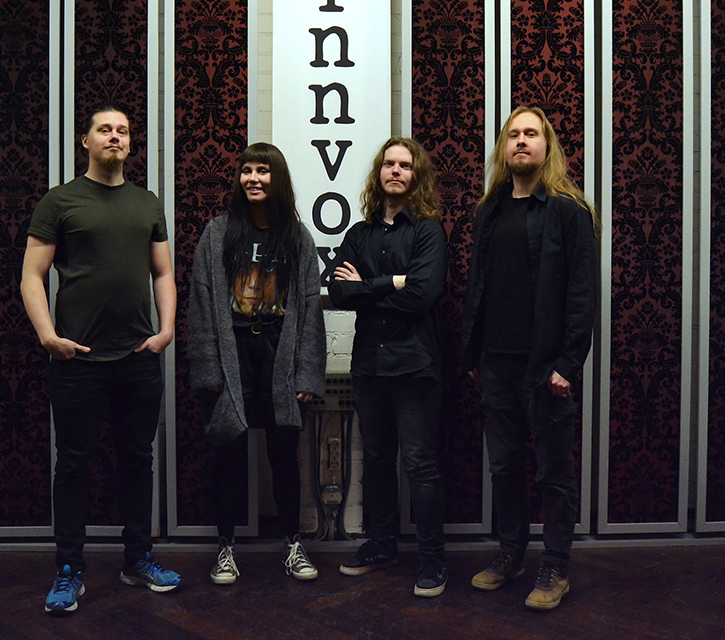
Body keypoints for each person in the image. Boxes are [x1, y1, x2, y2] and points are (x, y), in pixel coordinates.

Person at [21, 107, 182, 615]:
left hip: (137, 358)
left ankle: (138, 560)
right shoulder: (60, 201)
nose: (115, 136)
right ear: (85, 141)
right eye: (105, 130)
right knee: (74, 465)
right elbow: (32, 276)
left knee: (138, 461)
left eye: (123, 131)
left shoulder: (146, 202)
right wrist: (48, 336)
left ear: (130, 143)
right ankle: (69, 570)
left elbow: (162, 273)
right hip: (78, 361)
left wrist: (166, 331)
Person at [460, 107, 598, 611]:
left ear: (547, 146)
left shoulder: (569, 211)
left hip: (545, 367)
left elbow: (582, 294)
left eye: (531, 134)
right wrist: (474, 352)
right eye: (513, 134)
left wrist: (568, 363)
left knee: (554, 474)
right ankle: (511, 554)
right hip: (496, 364)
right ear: (504, 148)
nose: (521, 141)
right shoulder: (490, 211)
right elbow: (478, 286)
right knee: (505, 467)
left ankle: (556, 567)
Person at [187, 142, 326, 585]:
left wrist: (307, 373)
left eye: (263, 171)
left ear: (276, 178)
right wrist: (208, 369)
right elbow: (201, 302)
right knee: (227, 456)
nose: (253, 179)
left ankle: (293, 544)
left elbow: (310, 308)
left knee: (284, 457)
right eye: (247, 171)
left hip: (278, 354)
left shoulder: (297, 237)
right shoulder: (218, 233)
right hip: (232, 356)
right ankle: (226, 548)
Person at [328, 137, 449, 597]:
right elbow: (339, 293)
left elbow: (421, 296)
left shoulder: (428, 232)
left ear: (416, 176)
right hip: (370, 366)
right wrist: (393, 282)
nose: (395, 171)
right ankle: (381, 546)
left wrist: (369, 286)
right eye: (389, 164)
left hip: (415, 366)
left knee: (419, 464)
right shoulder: (359, 234)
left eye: (405, 165)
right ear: (379, 173)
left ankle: (433, 561)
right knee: (377, 460)